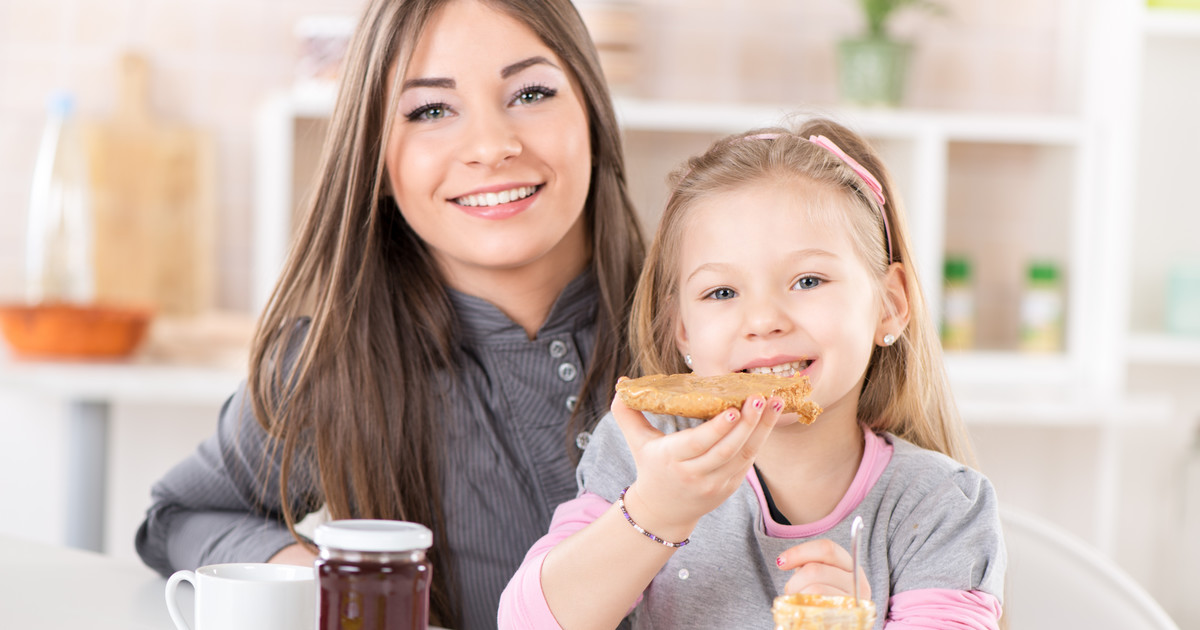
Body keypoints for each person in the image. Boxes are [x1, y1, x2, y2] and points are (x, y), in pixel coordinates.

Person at [134, 0, 645, 627]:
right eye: (431, 110)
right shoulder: (335, 362)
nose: (491, 146)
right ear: (375, 159)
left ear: (592, 109)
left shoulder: (715, 327)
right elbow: (183, 516)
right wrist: (330, 582)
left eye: (531, 92)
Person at [499, 118, 1006, 629]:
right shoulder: (644, 457)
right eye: (722, 292)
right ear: (683, 330)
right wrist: (657, 511)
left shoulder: (942, 507)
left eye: (808, 280)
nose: (764, 321)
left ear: (890, 306)